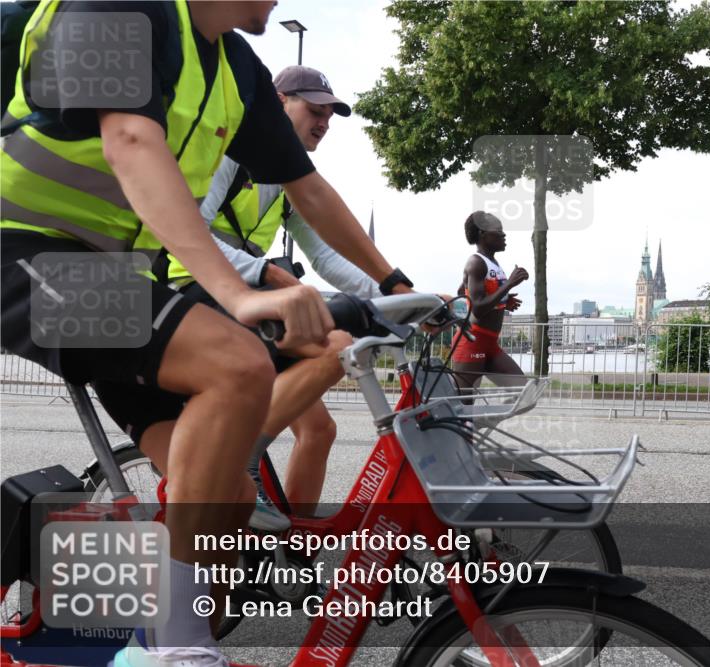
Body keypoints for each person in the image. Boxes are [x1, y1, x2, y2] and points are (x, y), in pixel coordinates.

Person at [0, 2, 410, 664]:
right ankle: (175, 645)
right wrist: (236, 293)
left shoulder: (235, 70)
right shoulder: (118, 7)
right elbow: (129, 142)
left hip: (116, 278)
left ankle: (154, 632)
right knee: (237, 364)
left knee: (232, 496)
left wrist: (395, 285)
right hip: (26, 257)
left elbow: (308, 189)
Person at [101, 66, 381, 529]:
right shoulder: (231, 153)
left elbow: (329, 260)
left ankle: (295, 556)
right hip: (193, 287)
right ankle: (242, 459)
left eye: (331, 115)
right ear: (278, 103)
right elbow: (193, 228)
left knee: (319, 429)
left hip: (248, 296)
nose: (324, 123)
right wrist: (270, 272)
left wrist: (400, 292)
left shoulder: (286, 179)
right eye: (314, 110)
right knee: (334, 349)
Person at [452, 211, 529, 394]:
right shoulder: (476, 263)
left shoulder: (491, 262)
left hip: (489, 342)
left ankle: (482, 421)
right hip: (473, 342)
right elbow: (477, 308)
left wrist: (503, 301)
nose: (504, 235)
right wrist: (509, 284)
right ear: (482, 234)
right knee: (463, 405)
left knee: (522, 390)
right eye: (498, 231)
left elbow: (462, 292)